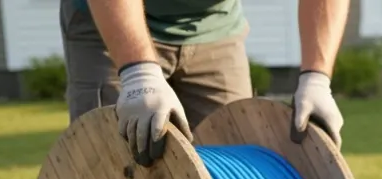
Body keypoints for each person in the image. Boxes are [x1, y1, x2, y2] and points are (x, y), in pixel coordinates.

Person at [61, 0, 347, 164]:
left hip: (214, 25)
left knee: (236, 172)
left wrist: (316, 79)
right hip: (109, 21)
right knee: (113, 171)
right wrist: (138, 74)